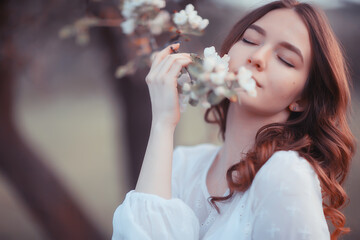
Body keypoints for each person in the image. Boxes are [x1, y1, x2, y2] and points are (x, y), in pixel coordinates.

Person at [112, 0, 355, 239]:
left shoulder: (286, 175)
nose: (257, 56)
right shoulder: (182, 165)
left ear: (302, 99)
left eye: (285, 59)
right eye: (250, 40)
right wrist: (163, 124)